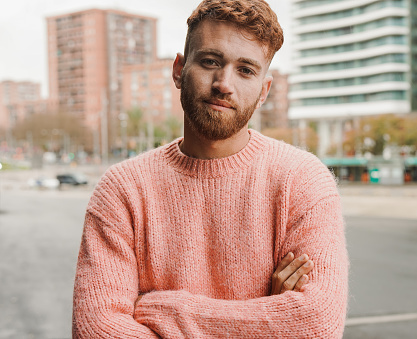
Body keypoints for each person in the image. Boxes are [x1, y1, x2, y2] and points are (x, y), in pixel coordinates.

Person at [72, 0, 348, 337]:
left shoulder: (302, 181)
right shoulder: (123, 189)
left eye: (245, 69)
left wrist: (161, 310)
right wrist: (264, 322)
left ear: (264, 92)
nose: (224, 83)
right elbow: (95, 330)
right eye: (210, 61)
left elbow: (316, 324)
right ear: (178, 69)